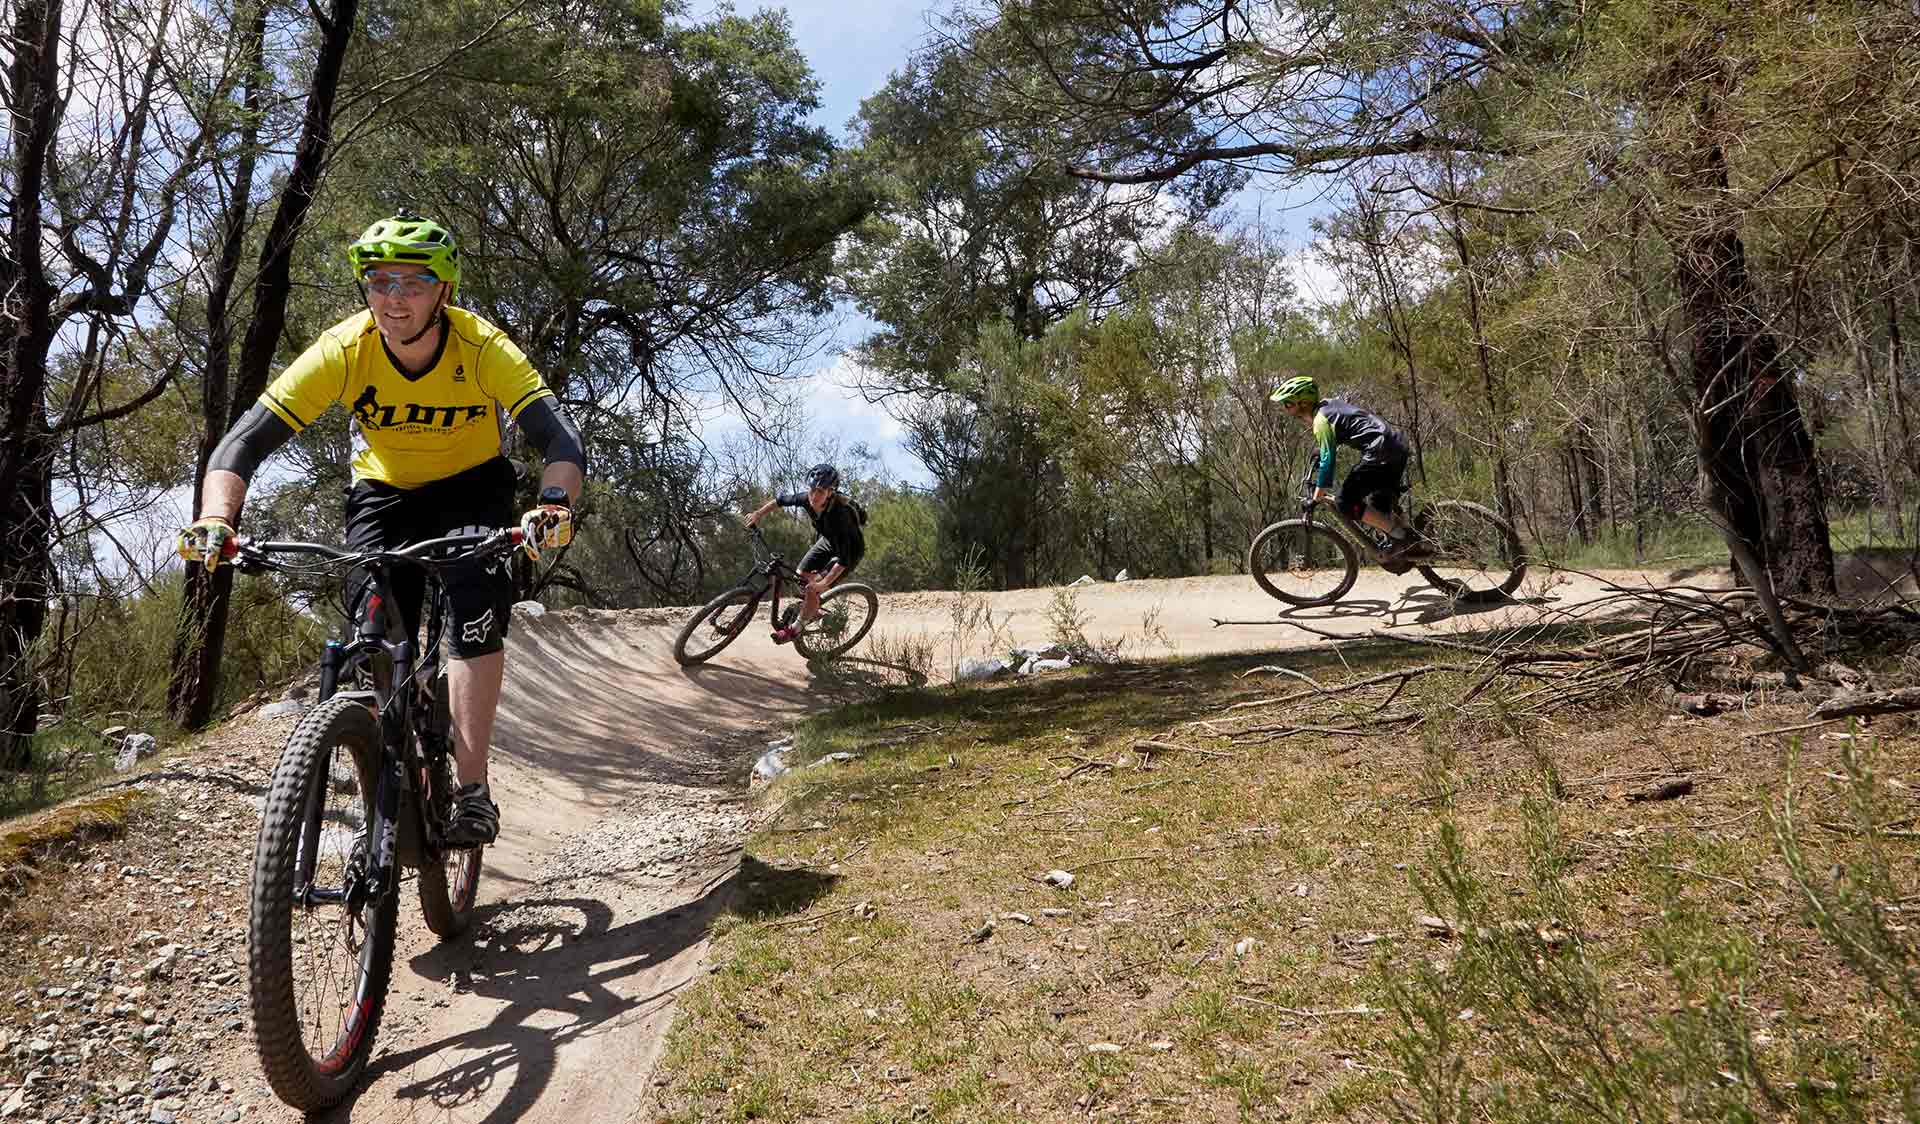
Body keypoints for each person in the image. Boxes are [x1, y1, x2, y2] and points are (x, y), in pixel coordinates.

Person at [176, 210, 586, 847]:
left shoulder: (481, 347)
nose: (394, 299)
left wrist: (554, 502)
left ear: (443, 291)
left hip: (470, 487)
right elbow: (242, 443)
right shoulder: (345, 348)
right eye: (379, 282)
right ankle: (391, 737)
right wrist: (215, 519)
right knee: (370, 617)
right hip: (383, 493)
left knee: (473, 610)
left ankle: (471, 788)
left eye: (413, 283)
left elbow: (558, 438)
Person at [1269, 374, 1427, 564]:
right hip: (1395, 445)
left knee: (1345, 502)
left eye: (1288, 403)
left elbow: (1328, 460)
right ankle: (1411, 545)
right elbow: (1347, 427)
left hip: (1380, 452)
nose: (1285, 409)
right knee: (1379, 506)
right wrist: (1320, 450)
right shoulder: (1329, 404)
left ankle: (1403, 538)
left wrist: (1318, 493)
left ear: (1303, 403)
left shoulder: (1320, 421)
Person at [743, 463, 866, 643]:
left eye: (821, 492)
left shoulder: (841, 515)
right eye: (812, 490)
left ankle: (795, 629)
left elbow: (844, 560)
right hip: (828, 540)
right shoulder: (806, 499)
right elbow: (780, 501)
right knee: (801, 576)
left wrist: (823, 583)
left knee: (812, 588)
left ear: (830, 492)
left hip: (848, 551)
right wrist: (758, 514)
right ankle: (813, 610)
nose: (814, 496)